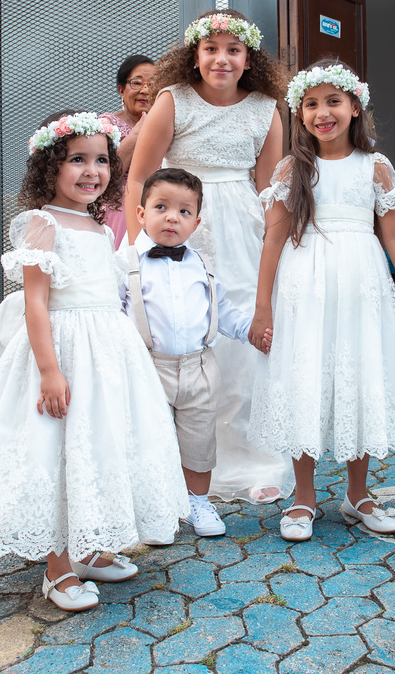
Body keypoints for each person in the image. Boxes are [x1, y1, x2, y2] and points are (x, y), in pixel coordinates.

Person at [0, 111, 187, 613]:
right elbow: (36, 303)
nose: (91, 171)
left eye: (101, 160)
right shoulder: (43, 223)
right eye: (77, 159)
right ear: (50, 165)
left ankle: (89, 549)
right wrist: (50, 371)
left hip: (107, 353)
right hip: (61, 352)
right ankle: (57, 570)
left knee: (97, 447)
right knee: (55, 452)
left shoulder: (100, 227)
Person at [247, 61, 395, 542]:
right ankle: (303, 496)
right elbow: (273, 240)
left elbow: (391, 233)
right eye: (311, 104)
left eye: (333, 102)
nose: (323, 112)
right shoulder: (292, 169)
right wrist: (262, 306)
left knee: (358, 375)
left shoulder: (376, 167)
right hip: (305, 284)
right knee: (306, 376)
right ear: (300, 114)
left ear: (354, 107)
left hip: (361, 285)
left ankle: (357, 493)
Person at [124, 9, 292, 504]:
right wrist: (143, 247)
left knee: (241, 346)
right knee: (178, 343)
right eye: (211, 49)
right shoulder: (173, 101)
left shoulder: (266, 107)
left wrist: (276, 247)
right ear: (194, 56)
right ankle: (174, 465)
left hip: (242, 230)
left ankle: (252, 463)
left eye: (233, 50)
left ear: (248, 59)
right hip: (179, 218)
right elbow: (139, 177)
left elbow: (269, 187)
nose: (222, 59)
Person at [125, 168, 272, 541]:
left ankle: (197, 501)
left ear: (197, 222)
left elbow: (222, 311)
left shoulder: (202, 265)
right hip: (147, 367)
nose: (172, 217)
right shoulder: (125, 264)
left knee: (199, 441)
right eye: (161, 207)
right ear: (142, 214)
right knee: (149, 441)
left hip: (199, 367)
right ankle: (155, 509)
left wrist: (252, 330)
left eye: (184, 211)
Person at [99, 55, 156, 249]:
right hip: (117, 211)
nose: (145, 90)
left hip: (155, 210)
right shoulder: (106, 125)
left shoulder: (164, 126)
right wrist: (139, 130)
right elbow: (107, 173)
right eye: (137, 83)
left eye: (152, 84)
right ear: (121, 90)